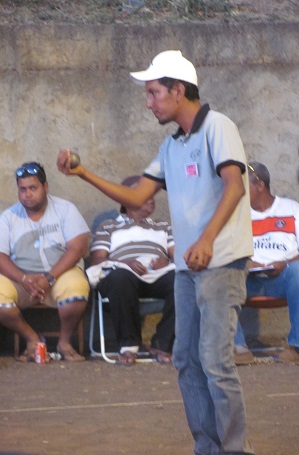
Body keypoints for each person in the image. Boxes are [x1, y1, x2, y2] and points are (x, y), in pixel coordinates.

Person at [57, 50, 254, 454]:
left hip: (221, 263)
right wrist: (84, 173)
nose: (148, 102)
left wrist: (206, 239)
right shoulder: (172, 146)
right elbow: (136, 194)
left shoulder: (219, 127)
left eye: (153, 93)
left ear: (178, 91)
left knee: (215, 362)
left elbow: (234, 186)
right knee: (186, 360)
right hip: (187, 268)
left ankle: (235, 450)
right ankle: (208, 447)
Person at [0, 162, 90, 362]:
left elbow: (78, 248)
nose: (27, 194)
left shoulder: (65, 209)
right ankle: (32, 339)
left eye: (33, 188)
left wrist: (49, 277)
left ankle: (64, 342)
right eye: (22, 189)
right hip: (23, 280)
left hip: (59, 275)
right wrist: (23, 279)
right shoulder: (8, 217)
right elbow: (1, 256)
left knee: (76, 290)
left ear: (45, 187)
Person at [234, 162, 299, 365]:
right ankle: (239, 348)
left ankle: (296, 347)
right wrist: (246, 262)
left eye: (244, 185)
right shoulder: (238, 215)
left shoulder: (292, 209)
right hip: (248, 280)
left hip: (282, 278)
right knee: (220, 277)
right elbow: (229, 252)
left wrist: (285, 263)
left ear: (259, 185)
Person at [89, 175, 176, 365]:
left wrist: (166, 259)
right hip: (123, 274)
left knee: (185, 280)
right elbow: (97, 260)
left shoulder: (163, 226)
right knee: (120, 277)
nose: (151, 198)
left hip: (158, 274)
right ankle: (128, 345)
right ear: (125, 199)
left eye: (152, 194)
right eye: (144, 194)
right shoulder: (108, 226)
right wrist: (124, 261)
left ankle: (163, 343)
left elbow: (177, 255)